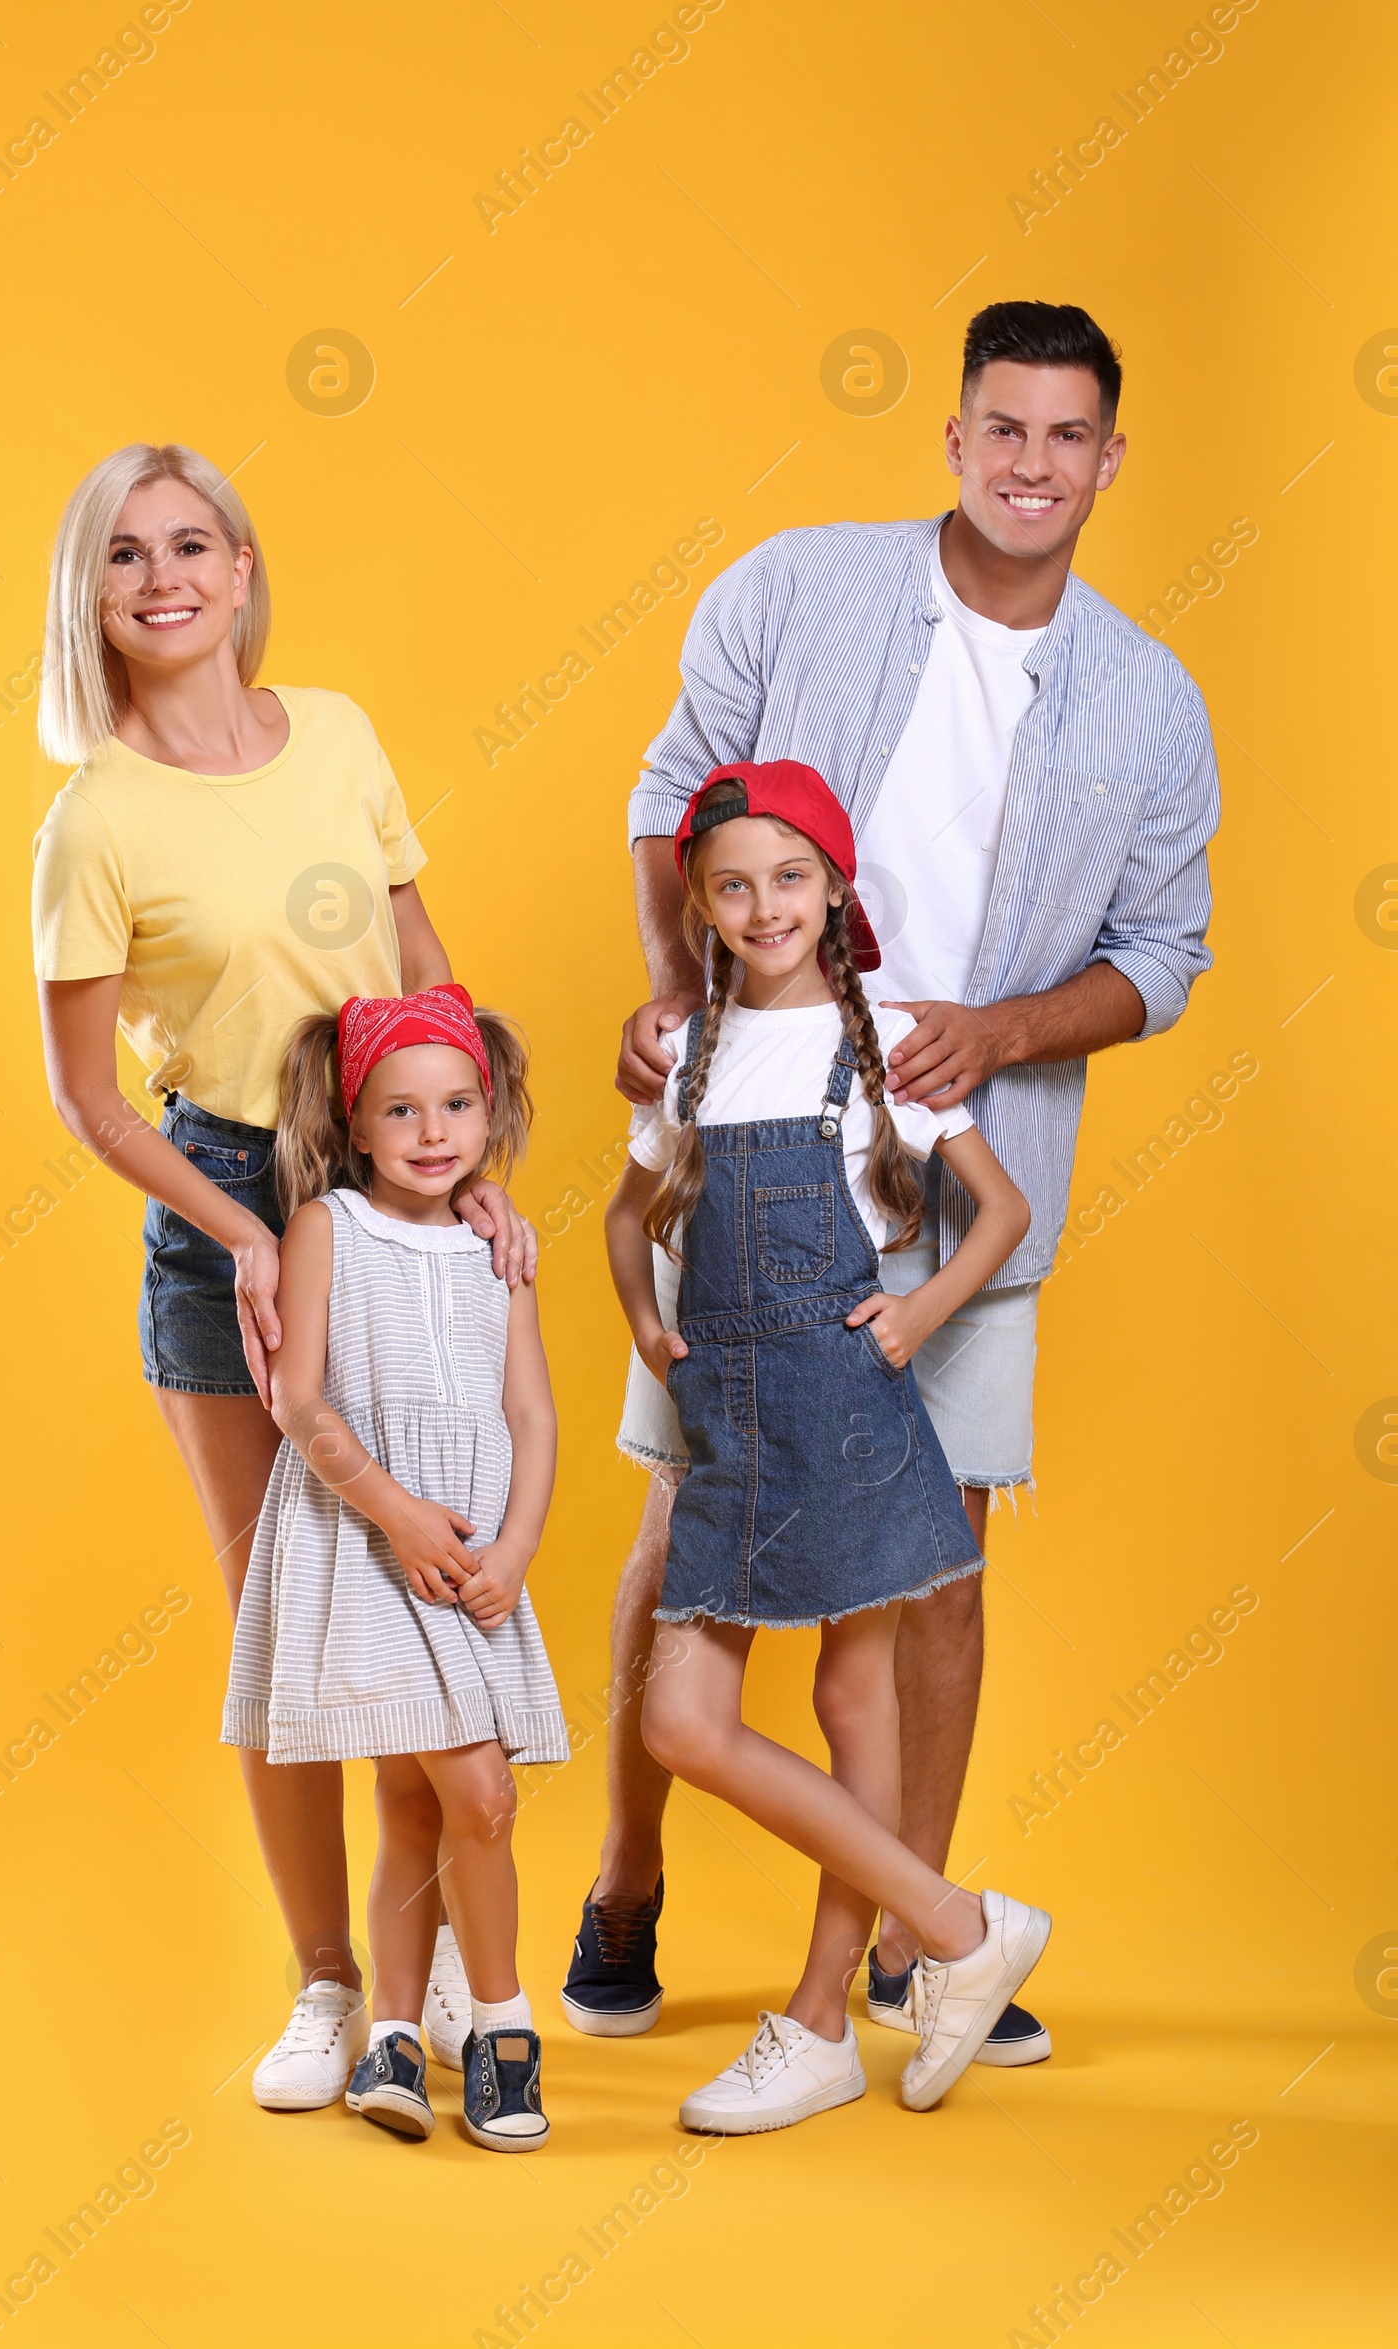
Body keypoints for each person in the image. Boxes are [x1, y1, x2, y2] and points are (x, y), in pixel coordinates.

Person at [562, 301, 1218, 2090]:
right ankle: (627, 1880)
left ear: (1108, 460)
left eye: (1065, 437)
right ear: (953, 436)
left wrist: (993, 1028)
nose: (1030, 464)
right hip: (748, 1149)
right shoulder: (797, 591)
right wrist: (680, 1002)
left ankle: (905, 1948)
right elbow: (663, 797)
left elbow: (1165, 956)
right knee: (680, 1520)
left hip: (960, 1171)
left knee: (934, 1577)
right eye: (1000, 428)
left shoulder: (1150, 700)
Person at [32, 443, 529, 2113]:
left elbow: (422, 967)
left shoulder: (340, 734)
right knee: (292, 1623)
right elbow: (93, 1097)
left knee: (423, 1569)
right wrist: (248, 1235)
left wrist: (481, 1175)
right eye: (125, 554)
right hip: (228, 1192)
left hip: (398, 1169)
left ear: (242, 567)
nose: (163, 574)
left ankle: (439, 1968)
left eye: (191, 541)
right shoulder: (93, 815)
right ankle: (326, 1980)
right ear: (90, 597)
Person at [606, 760, 1045, 2126]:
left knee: (857, 1706)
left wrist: (917, 1310)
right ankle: (958, 1927)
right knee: (684, 1719)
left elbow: (1001, 1211)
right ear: (700, 905)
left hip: (847, 1410)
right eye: (733, 885)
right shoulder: (687, 1052)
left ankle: (818, 2022)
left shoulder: (888, 1045)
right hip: (726, 1422)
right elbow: (628, 1221)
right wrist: (645, 1324)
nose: (764, 905)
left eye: (791, 877)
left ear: (835, 888)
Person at [223, 984, 564, 2150]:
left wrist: (511, 1544)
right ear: (355, 1124)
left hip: (471, 1554)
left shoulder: (498, 1247)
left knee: (420, 1805)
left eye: (458, 1104)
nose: (434, 1133)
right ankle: (508, 2032)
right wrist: (397, 1516)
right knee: (478, 1791)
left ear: (489, 1109)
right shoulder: (327, 1227)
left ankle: (399, 2037)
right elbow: (299, 1398)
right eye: (402, 1110)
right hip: (369, 1539)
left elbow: (530, 1409)